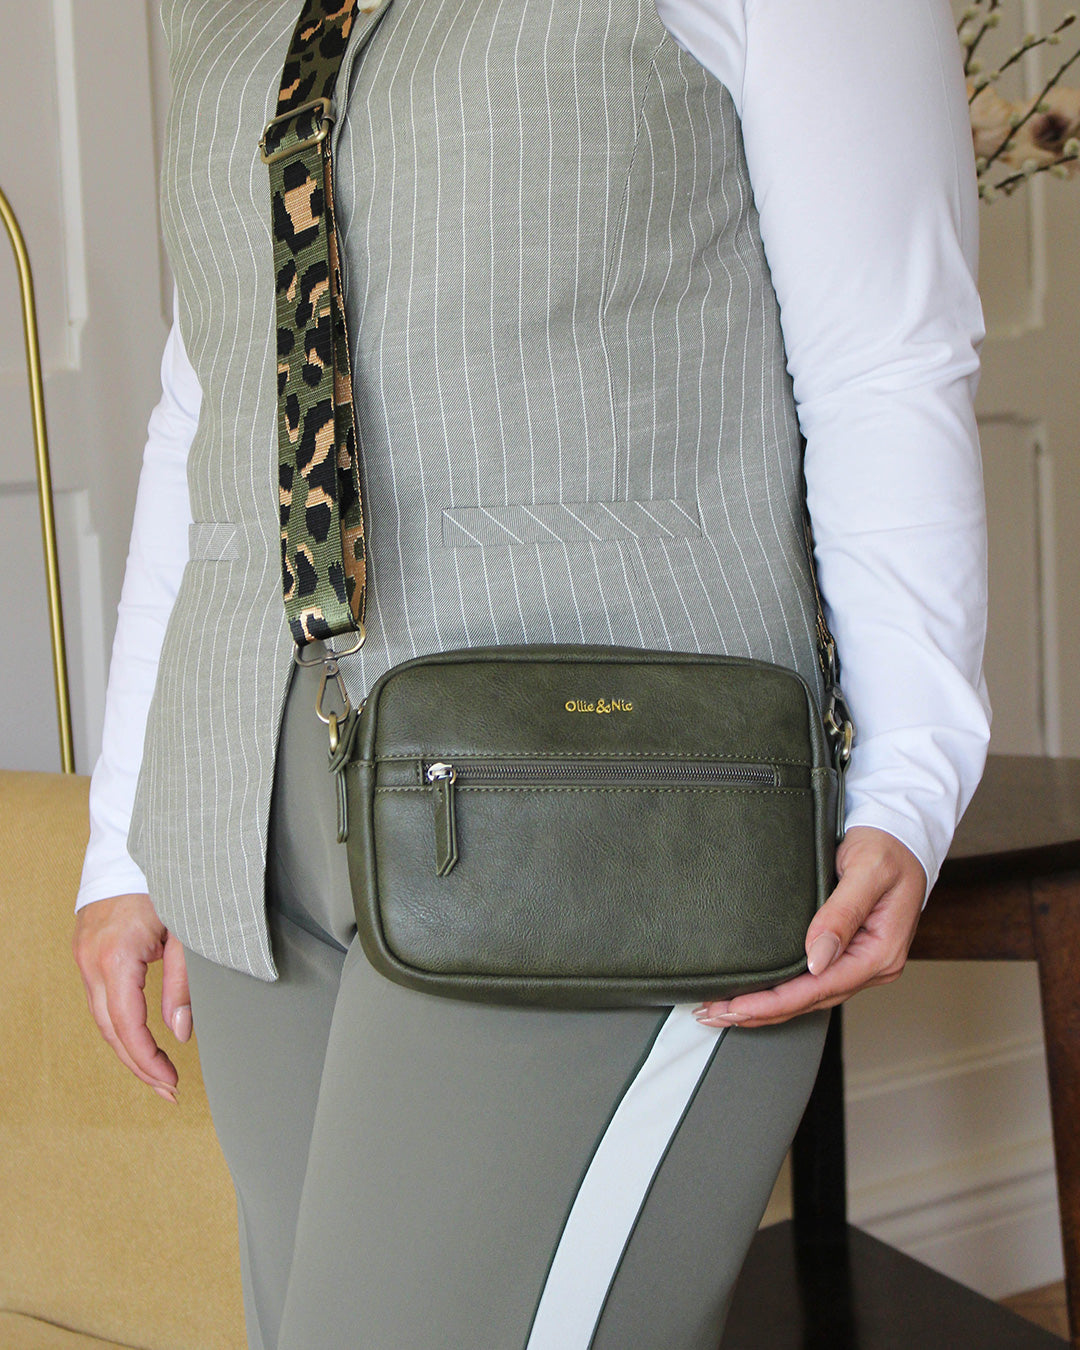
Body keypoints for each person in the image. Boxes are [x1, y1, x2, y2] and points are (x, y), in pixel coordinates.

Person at [73, 0, 991, 1346]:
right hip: (249, 810)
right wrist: (129, 839)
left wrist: (912, 775)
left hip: (596, 803)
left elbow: (889, 359)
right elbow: (208, 397)